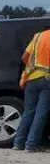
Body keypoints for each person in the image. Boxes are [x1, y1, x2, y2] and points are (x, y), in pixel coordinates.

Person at [12, 25, 50, 153]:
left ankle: (18, 143)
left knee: (28, 112)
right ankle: (31, 144)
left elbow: (24, 57)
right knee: (41, 113)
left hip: (31, 78)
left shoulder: (38, 36)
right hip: (47, 80)